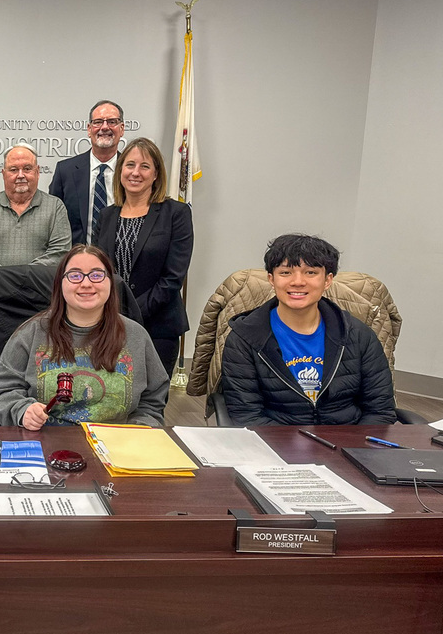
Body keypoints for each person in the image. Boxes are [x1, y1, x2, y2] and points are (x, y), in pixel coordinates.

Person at [221, 234, 396, 426]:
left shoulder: (358, 335)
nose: (298, 282)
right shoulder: (245, 338)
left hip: (345, 445)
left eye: (310, 272)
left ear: (327, 280)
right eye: (285, 272)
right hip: (276, 446)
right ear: (271, 279)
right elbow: (247, 416)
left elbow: (380, 411)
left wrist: (349, 449)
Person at [0, 245, 167, 429]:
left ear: (111, 283)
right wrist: (22, 411)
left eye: (96, 275)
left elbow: (153, 401)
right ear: (60, 284)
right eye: (75, 275)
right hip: (47, 443)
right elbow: (0, 390)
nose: (86, 283)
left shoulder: (136, 336)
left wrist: (140, 430)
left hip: (117, 447)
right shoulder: (31, 333)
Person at [94, 137, 194, 377]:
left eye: (145, 166)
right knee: (112, 399)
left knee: (151, 403)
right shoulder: (107, 215)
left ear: (156, 173)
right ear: (120, 171)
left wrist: (130, 313)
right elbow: (98, 272)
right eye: (129, 165)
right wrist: (112, 314)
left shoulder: (176, 214)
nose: (135, 173)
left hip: (159, 328)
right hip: (110, 326)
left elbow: (172, 278)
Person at [0, 143, 71, 281]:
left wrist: (23, 278)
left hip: (40, 293)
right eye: (14, 170)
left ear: (37, 172)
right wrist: (1, 277)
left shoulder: (55, 206)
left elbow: (59, 252)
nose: (20, 175)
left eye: (27, 169)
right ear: (4, 174)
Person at [50, 100, 125, 245]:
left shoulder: (133, 173)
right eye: (98, 122)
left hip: (123, 261)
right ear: (89, 129)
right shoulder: (65, 171)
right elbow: (52, 218)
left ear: (121, 129)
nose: (104, 127)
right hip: (76, 261)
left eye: (112, 121)